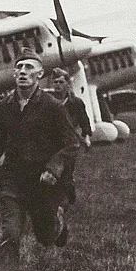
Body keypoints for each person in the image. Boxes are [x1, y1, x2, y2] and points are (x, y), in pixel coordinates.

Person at [0, 51, 79, 271]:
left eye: (28, 67)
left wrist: (53, 169)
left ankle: (57, 221)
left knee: (45, 236)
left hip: (42, 182)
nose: (22, 71)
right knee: (11, 234)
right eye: (18, 67)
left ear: (39, 74)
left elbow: (71, 143)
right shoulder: (3, 107)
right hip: (13, 180)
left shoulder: (52, 106)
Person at [51, 67, 92, 207]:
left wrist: (86, 137)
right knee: (52, 170)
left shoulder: (76, 103)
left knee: (66, 172)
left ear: (68, 84)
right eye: (55, 82)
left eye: (61, 82)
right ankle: (57, 199)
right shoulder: (48, 101)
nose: (57, 85)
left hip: (70, 142)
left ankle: (68, 196)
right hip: (52, 141)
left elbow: (84, 121)